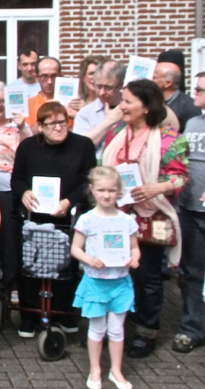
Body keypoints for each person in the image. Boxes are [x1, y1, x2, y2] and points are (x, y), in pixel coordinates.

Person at [100, 79, 189, 359]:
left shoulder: (169, 138)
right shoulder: (116, 131)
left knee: (146, 276)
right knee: (116, 273)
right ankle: (118, 328)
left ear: (147, 107)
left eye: (127, 101)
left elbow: (180, 176)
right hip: (117, 214)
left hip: (149, 218)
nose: (121, 105)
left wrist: (156, 187)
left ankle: (147, 330)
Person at [11, 102, 97, 338]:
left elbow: (88, 181)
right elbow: (16, 178)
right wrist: (24, 193)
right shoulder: (28, 147)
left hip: (67, 215)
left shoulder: (83, 145)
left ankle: (63, 312)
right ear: (40, 126)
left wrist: (69, 201)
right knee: (30, 263)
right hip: (33, 214)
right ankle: (29, 315)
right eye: (52, 124)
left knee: (65, 265)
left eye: (63, 122)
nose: (59, 128)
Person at [71, 166, 140, 389]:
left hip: (120, 282)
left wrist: (135, 258)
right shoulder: (87, 220)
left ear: (119, 191)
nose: (107, 195)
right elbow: (76, 249)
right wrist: (89, 260)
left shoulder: (127, 220)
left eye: (112, 190)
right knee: (97, 328)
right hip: (95, 283)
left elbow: (135, 248)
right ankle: (95, 369)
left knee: (117, 329)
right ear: (92, 190)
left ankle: (116, 371)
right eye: (101, 190)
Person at [0, 82, 31, 288]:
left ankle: (11, 283)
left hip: (10, 186)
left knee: (9, 236)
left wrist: (22, 127)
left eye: (2, 101)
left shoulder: (18, 125)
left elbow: (32, 150)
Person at [173, 71, 205, 354]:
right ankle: (192, 327)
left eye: (200, 90)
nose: (195, 95)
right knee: (192, 272)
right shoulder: (193, 123)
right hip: (191, 209)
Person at [24, 57, 80, 128]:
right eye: (44, 76)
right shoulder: (28, 104)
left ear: (61, 77)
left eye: (53, 76)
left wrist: (80, 114)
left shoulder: (73, 102)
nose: (49, 81)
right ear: (36, 77)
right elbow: (30, 135)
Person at [153, 62, 201, 133]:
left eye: (154, 77)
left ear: (168, 83)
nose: (149, 79)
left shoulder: (189, 106)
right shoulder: (150, 101)